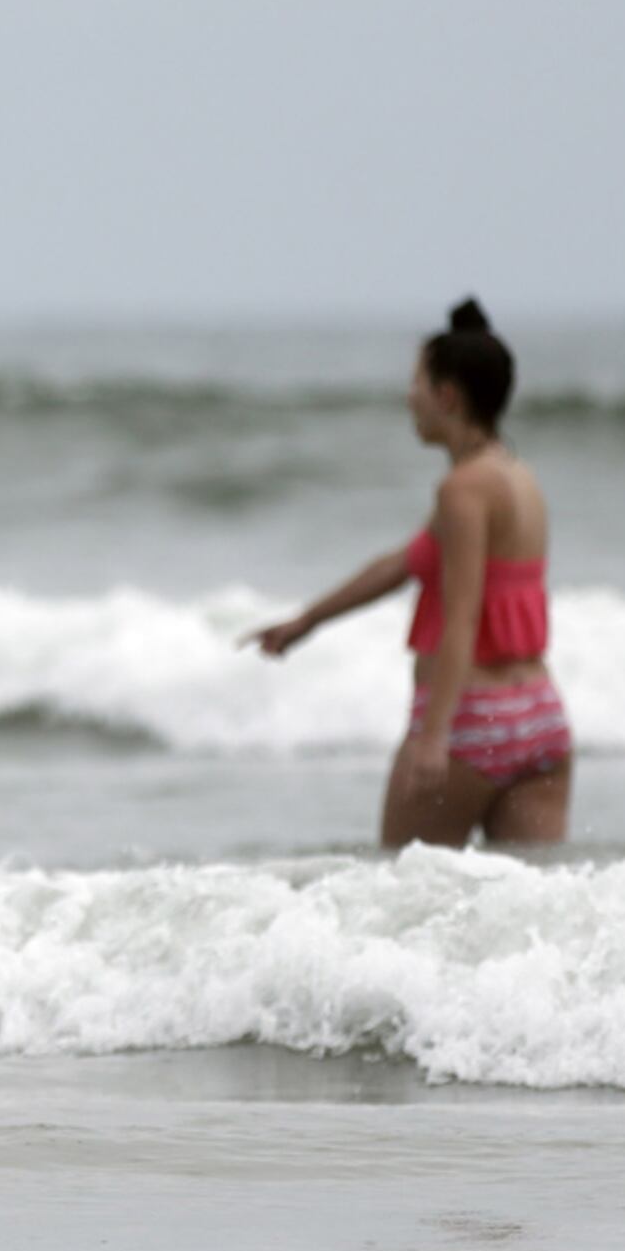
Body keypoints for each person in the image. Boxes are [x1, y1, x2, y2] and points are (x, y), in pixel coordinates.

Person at [248, 299, 568, 847]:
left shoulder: (463, 489)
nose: (408, 396)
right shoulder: (516, 477)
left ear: (446, 396)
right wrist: (309, 620)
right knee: (529, 911)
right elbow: (405, 563)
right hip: (539, 718)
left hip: (471, 721)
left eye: (416, 381)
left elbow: (462, 618)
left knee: (403, 895)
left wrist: (434, 736)